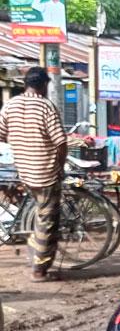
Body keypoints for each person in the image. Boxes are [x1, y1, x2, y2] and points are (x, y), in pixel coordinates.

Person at [0, 66, 67, 281]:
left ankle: (35, 253)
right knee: (48, 221)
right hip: (45, 173)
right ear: (44, 85)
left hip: (25, 171)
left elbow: (1, 135)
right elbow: (61, 141)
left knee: (40, 215)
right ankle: (39, 270)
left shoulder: (10, 105)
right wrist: (60, 165)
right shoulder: (45, 106)